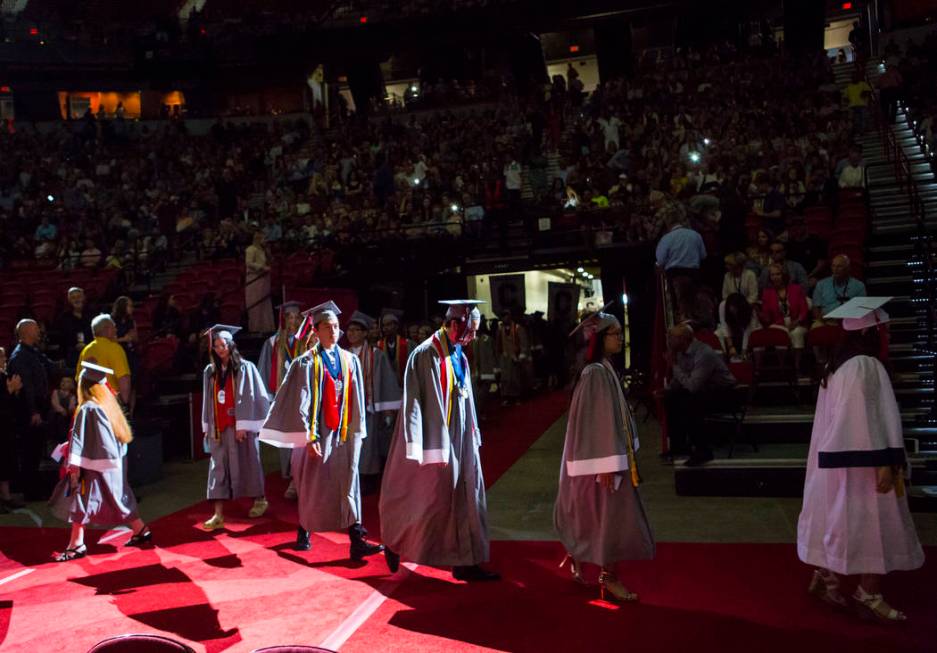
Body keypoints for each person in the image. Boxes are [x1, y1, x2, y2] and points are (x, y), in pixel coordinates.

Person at [798, 298, 924, 622]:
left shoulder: (838, 365)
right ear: (870, 331)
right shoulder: (865, 366)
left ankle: (826, 576)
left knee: (840, 518)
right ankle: (868, 592)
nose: (889, 335)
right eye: (885, 329)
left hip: (842, 464)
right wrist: (885, 461)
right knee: (870, 524)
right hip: (864, 466)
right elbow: (864, 419)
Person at [379, 299, 499, 582]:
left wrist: (473, 434)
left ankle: (466, 561)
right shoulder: (426, 355)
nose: (473, 336)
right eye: (471, 329)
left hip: (461, 438)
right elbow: (415, 404)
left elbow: (465, 397)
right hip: (433, 439)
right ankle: (395, 542)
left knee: (468, 497)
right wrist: (421, 444)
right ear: (456, 324)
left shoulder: (458, 353)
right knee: (427, 501)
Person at [260, 302, 384, 560]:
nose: (334, 331)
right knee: (314, 485)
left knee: (349, 482)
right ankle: (304, 529)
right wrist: (308, 436)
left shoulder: (350, 360)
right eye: (328, 327)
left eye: (337, 326)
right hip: (318, 434)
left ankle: (356, 537)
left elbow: (357, 399)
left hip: (343, 432)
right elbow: (300, 401)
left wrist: (357, 431)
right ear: (316, 331)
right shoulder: (305, 363)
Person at [554, 306, 654, 603]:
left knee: (595, 517)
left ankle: (581, 557)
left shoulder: (603, 367)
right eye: (615, 334)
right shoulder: (595, 373)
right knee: (609, 519)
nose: (621, 339)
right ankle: (608, 576)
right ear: (599, 337)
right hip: (603, 465)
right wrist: (607, 465)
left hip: (607, 458)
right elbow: (595, 422)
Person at [48, 362, 151, 561]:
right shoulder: (109, 404)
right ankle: (140, 529)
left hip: (92, 465)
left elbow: (79, 439)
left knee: (82, 500)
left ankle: (76, 545)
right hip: (113, 464)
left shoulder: (87, 408)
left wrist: (74, 465)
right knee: (119, 498)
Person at [200, 325, 271, 530]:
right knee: (218, 469)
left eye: (223, 345)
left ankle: (260, 499)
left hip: (241, 427)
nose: (220, 349)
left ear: (231, 345)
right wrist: (207, 425)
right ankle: (218, 514)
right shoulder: (210, 371)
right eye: (216, 346)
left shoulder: (245, 367)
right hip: (219, 428)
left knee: (249, 462)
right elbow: (207, 399)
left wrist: (243, 425)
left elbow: (252, 397)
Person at [662, 324, 737, 465]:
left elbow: (692, 386)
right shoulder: (681, 353)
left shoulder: (704, 353)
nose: (668, 341)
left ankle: (703, 450)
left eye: (671, 338)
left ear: (683, 339)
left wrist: (673, 365)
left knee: (691, 401)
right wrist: (669, 389)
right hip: (705, 390)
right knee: (671, 397)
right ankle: (679, 445)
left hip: (725, 394)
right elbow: (681, 379)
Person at [344, 310, 401, 477]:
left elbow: (386, 382)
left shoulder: (375, 355)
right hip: (346, 408)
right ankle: (350, 474)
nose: (351, 333)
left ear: (365, 333)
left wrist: (387, 410)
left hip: (368, 408)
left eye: (356, 330)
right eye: (349, 330)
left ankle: (367, 475)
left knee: (368, 444)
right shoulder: (342, 355)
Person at [257, 301, 305, 497]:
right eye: (289, 317)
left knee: (301, 435)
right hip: (281, 395)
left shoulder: (308, 340)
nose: (293, 321)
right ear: (283, 320)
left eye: (296, 317)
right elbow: (265, 369)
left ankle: (298, 475)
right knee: (286, 434)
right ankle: (288, 471)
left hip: (303, 395)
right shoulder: (272, 342)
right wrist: (267, 398)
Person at [8, 319, 57, 499]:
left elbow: (52, 367)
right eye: (37, 328)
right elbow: (27, 386)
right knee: (30, 450)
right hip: (29, 411)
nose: (39, 332)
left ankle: (34, 487)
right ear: (27, 332)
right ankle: (30, 490)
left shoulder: (33, 352)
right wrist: (33, 411)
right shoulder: (20, 356)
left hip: (39, 407)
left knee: (35, 450)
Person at [655, 212, 706, 320]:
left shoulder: (666, 239)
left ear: (668, 224)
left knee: (681, 305)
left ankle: (683, 324)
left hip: (675, 275)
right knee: (694, 303)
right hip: (694, 274)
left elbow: (660, 260)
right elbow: (703, 255)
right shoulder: (695, 235)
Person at [759, 263, 810, 369]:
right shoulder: (767, 293)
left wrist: (796, 322)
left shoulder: (796, 289)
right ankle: (782, 366)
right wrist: (762, 315)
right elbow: (767, 316)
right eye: (772, 275)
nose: (775, 277)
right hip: (778, 324)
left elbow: (804, 310)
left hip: (797, 323)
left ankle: (797, 366)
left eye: (778, 274)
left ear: (784, 275)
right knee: (778, 332)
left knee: (796, 333)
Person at [76, 314, 132, 406]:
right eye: (114, 327)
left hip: (89, 403)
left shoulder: (85, 351)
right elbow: (123, 377)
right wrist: (124, 402)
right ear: (107, 329)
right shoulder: (114, 348)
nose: (116, 330)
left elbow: (79, 380)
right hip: (110, 401)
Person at [812, 255, 867, 322]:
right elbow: (816, 308)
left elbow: (862, 309)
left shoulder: (859, 286)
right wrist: (821, 319)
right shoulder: (821, 284)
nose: (835, 269)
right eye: (833, 266)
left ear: (848, 268)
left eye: (839, 266)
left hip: (850, 321)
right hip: (826, 321)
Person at [0, 364, 23, 512]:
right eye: (1, 357)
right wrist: (10, 390)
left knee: (5, 462)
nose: (4, 360)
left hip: (5, 426)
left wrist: (14, 391)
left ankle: (6, 497)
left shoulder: (3, 376)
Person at [495, 310, 530, 406]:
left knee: (515, 377)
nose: (504, 318)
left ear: (510, 317)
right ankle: (506, 397)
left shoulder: (517, 328)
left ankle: (517, 397)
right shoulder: (499, 329)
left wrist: (522, 354)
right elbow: (497, 344)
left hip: (515, 356)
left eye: (506, 315)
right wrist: (498, 358)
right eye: (503, 316)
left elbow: (524, 342)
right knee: (505, 378)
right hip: (504, 357)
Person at [54, 287, 93, 370]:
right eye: (73, 298)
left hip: (92, 353)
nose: (76, 300)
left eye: (79, 297)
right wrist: (61, 357)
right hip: (72, 355)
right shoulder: (64, 318)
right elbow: (62, 339)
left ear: (83, 298)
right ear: (69, 301)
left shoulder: (92, 314)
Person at [245, 231, 275, 333]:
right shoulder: (250, 249)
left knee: (265, 303)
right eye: (262, 238)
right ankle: (256, 328)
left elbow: (271, 260)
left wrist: (268, 251)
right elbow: (249, 263)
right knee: (255, 304)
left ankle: (266, 327)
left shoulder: (263, 250)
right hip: (254, 278)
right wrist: (262, 267)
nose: (264, 240)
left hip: (264, 279)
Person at [717, 293, 758, 362]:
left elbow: (747, 333)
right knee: (718, 333)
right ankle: (723, 360)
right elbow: (724, 326)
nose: (733, 310)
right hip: (732, 329)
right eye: (732, 307)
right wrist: (730, 346)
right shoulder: (723, 305)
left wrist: (744, 351)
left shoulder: (749, 311)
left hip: (747, 331)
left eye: (735, 308)